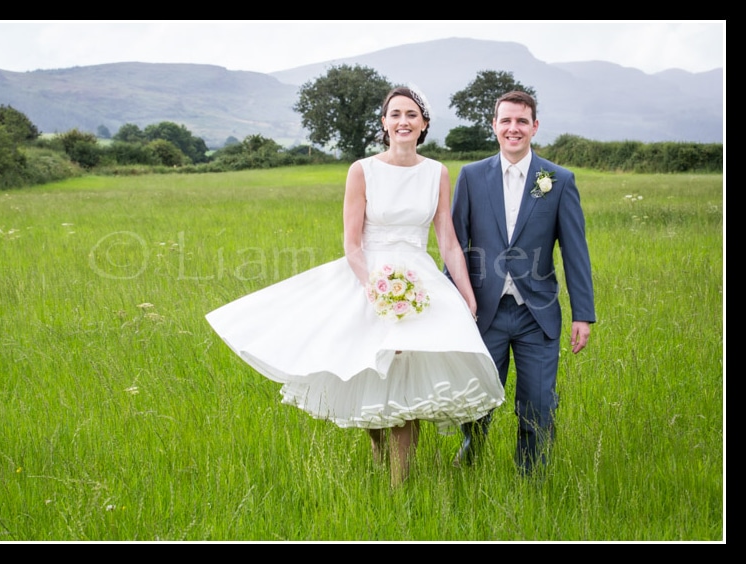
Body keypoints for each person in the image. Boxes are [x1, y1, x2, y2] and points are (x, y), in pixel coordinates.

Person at [205, 86, 504, 487]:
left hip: (420, 282)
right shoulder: (362, 170)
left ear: (424, 125)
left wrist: (466, 294)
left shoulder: (437, 172)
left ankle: (401, 483)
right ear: (384, 123)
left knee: (408, 376)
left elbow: (447, 239)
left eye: (412, 115)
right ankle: (379, 449)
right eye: (395, 114)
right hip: (370, 278)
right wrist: (376, 289)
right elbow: (351, 242)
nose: (403, 121)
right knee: (370, 372)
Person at [447, 90, 596, 477]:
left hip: (537, 314)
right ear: (494, 125)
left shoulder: (558, 180)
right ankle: (471, 457)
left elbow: (575, 251)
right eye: (506, 121)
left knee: (538, 403)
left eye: (522, 121)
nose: (513, 128)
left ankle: (531, 477)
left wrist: (584, 314)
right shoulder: (471, 176)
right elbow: (454, 246)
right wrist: (452, 305)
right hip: (484, 312)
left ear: (534, 126)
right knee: (477, 398)